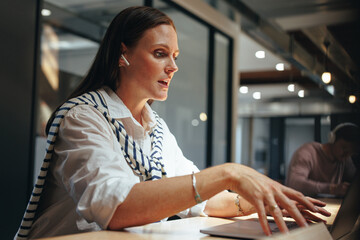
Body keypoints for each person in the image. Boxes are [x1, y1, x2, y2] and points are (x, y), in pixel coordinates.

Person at [15, 6, 330, 240]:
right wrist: (228, 172)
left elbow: (199, 200)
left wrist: (265, 201)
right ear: (122, 54)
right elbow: (117, 209)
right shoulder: (83, 117)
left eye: (175, 55)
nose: (173, 67)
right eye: (160, 53)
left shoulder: (156, 129)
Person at [286, 123, 360, 197]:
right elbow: (295, 183)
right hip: (302, 204)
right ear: (332, 139)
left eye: (351, 151)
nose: (346, 154)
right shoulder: (307, 152)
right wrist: (332, 189)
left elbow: (354, 180)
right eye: (344, 147)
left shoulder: (345, 159)